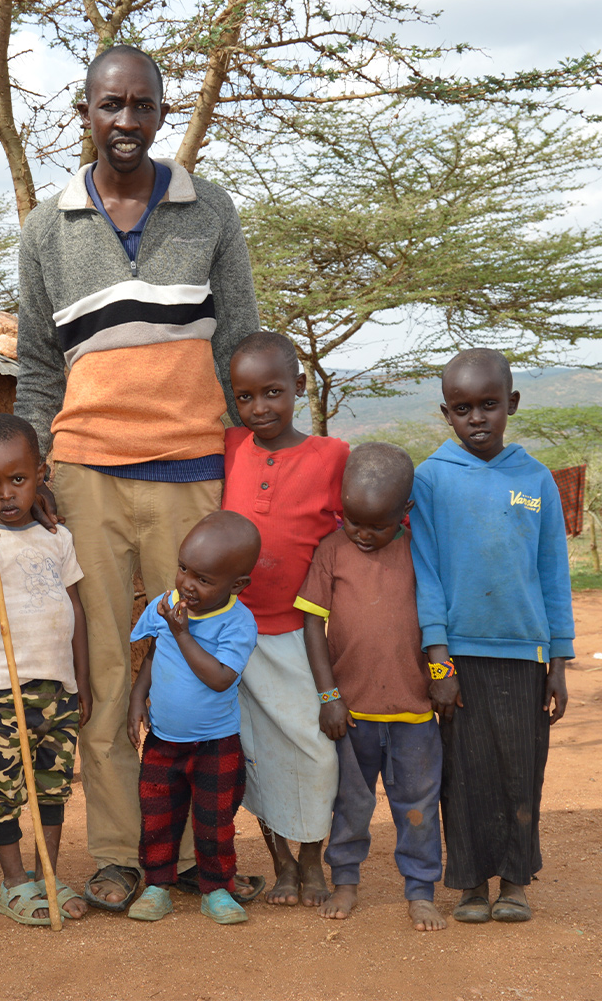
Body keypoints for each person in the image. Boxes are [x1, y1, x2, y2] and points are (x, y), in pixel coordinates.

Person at [15, 43, 263, 911]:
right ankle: (122, 854)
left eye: (141, 106)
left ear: (161, 113)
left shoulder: (208, 210)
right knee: (107, 670)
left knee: (194, 668)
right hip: (85, 472)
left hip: (191, 468)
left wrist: (246, 456)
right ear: (83, 113)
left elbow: (238, 341)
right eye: (108, 105)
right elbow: (41, 368)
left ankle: (199, 855)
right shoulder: (48, 227)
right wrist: (43, 463)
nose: (125, 121)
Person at [411, 348, 574, 924]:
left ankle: (515, 882)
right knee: (463, 776)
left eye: (488, 405)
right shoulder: (430, 479)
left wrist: (558, 660)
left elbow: (553, 573)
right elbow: (425, 574)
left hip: (524, 658)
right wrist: (437, 665)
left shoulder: (535, 479)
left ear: (512, 404)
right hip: (458, 659)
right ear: (445, 413)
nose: (477, 417)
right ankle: (471, 886)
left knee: (520, 773)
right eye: (462, 408)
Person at [219, 331, 348, 906]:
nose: (259, 409)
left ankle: (313, 858)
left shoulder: (332, 457)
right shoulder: (228, 449)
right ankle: (282, 866)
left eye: (273, 392)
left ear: (298, 386)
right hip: (235, 631)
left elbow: (364, 529)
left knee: (314, 752)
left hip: (301, 636)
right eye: (244, 397)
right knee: (253, 752)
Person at [0, 415, 91, 926]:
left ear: (40, 475)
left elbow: (75, 613)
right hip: (9, 691)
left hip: (60, 691)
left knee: (53, 787)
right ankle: (14, 883)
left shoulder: (58, 538)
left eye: (17, 479)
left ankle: (47, 874)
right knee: (7, 786)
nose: (6, 493)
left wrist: (82, 681)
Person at [296, 443, 445, 931]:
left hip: (414, 713)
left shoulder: (420, 550)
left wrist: (442, 677)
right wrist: (328, 696)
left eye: (377, 526)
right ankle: (345, 881)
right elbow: (312, 630)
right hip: (352, 713)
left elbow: (439, 625)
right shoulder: (330, 551)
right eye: (352, 520)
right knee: (351, 803)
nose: (361, 534)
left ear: (406, 512)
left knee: (418, 807)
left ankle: (420, 890)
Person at [125, 512, 262, 925]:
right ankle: (156, 886)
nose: (187, 583)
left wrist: (183, 633)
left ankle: (217, 889)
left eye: (203, 579)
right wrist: (137, 697)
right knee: (158, 817)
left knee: (213, 821)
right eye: (184, 568)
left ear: (236, 585)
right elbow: (153, 654)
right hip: (164, 741)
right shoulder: (166, 605)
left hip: (215, 745)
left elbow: (221, 678)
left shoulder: (238, 622)